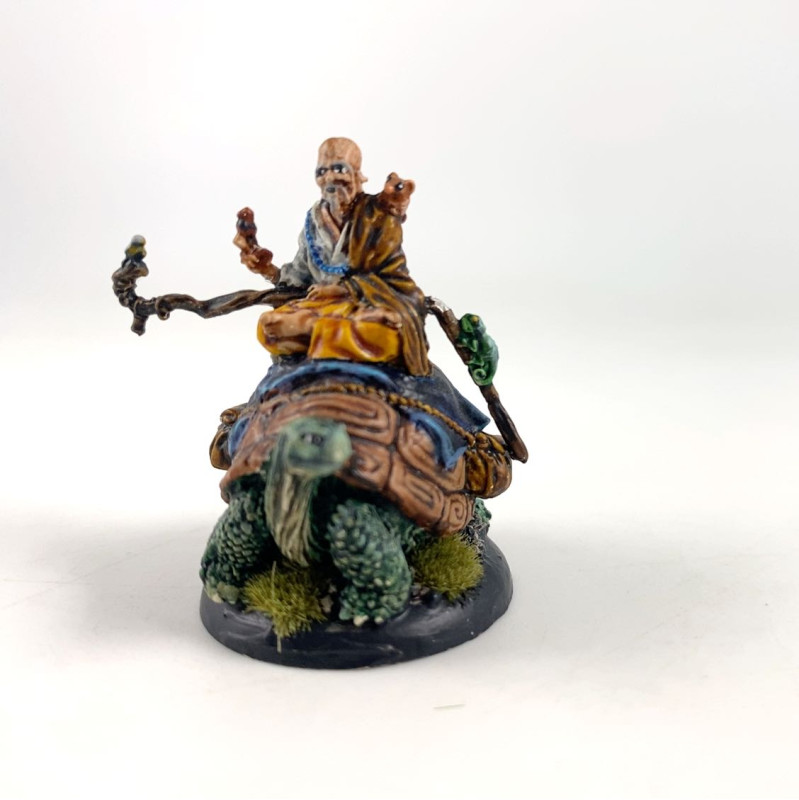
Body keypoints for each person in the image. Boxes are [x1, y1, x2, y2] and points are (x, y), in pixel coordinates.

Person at [241, 137, 431, 377]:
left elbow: (392, 276)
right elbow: (298, 277)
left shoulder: (378, 214)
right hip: (322, 310)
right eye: (321, 172)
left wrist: (343, 290)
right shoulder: (314, 219)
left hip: (370, 307)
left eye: (339, 169)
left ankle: (324, 349)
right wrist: (266, 269)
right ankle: (328, 343)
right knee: (268, 326)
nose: (330, 178)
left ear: (359, 175)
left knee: (383, 331)